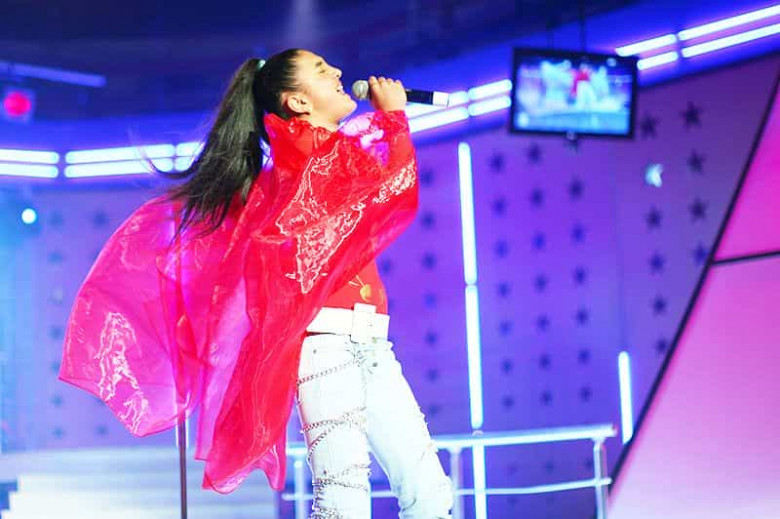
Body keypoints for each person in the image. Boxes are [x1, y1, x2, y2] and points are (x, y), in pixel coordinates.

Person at [59, 48, 453, 518]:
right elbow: (391, 190)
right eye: (322, 71)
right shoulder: (300, 157)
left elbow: (382, 191)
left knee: (429, 492)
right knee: (344, 499)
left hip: (372, 343)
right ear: (298, 102)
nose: (338, 72)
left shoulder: (336, 154)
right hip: (324, 346)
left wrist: (390, 124)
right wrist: (392, 120)